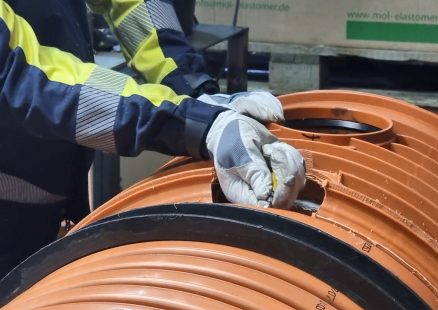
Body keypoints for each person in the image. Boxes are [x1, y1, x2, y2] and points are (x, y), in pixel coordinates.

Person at [0, 0, 305, 279]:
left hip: (49, 194)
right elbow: (26, 81)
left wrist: (194, 90)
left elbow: (133, 6)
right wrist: (193, 122)